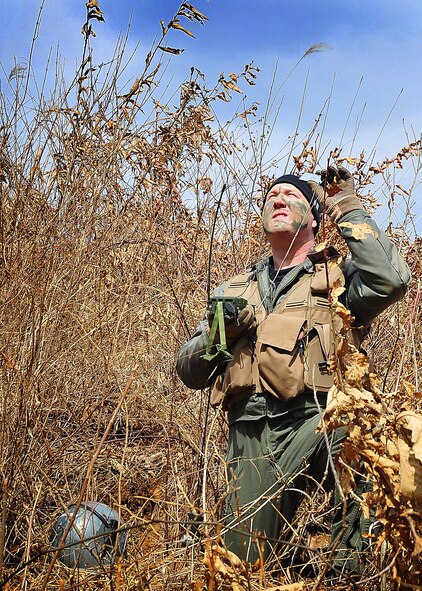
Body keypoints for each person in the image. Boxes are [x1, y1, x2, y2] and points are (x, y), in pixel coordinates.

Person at [176, 167, 411, 575]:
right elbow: (188, 370)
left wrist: (347, 206)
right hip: (249, 437)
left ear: (315, 218)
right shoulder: (232, 290)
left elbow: (390, 281)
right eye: (271, 196)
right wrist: (222, 336)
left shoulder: (336, 277)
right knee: (242, 568)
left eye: (291, 194)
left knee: (362, 438)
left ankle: (350, 575)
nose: (278, 199)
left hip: (316, 421)